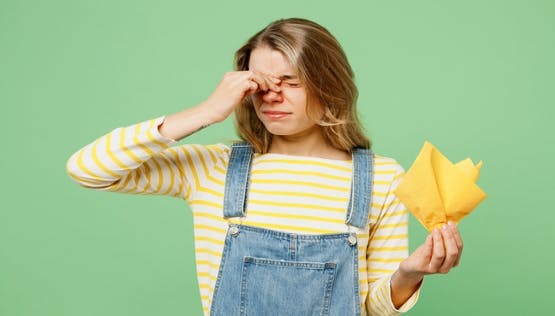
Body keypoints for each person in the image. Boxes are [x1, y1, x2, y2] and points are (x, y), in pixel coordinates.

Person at [66, 18, 463, 316]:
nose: (271, 96)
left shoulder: (381, 177)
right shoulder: (213, 167)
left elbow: (373, 308)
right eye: (260, 83)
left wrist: (408, 275)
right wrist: (204, 112)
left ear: (329, 87)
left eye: (290, 81)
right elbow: (88, 168)